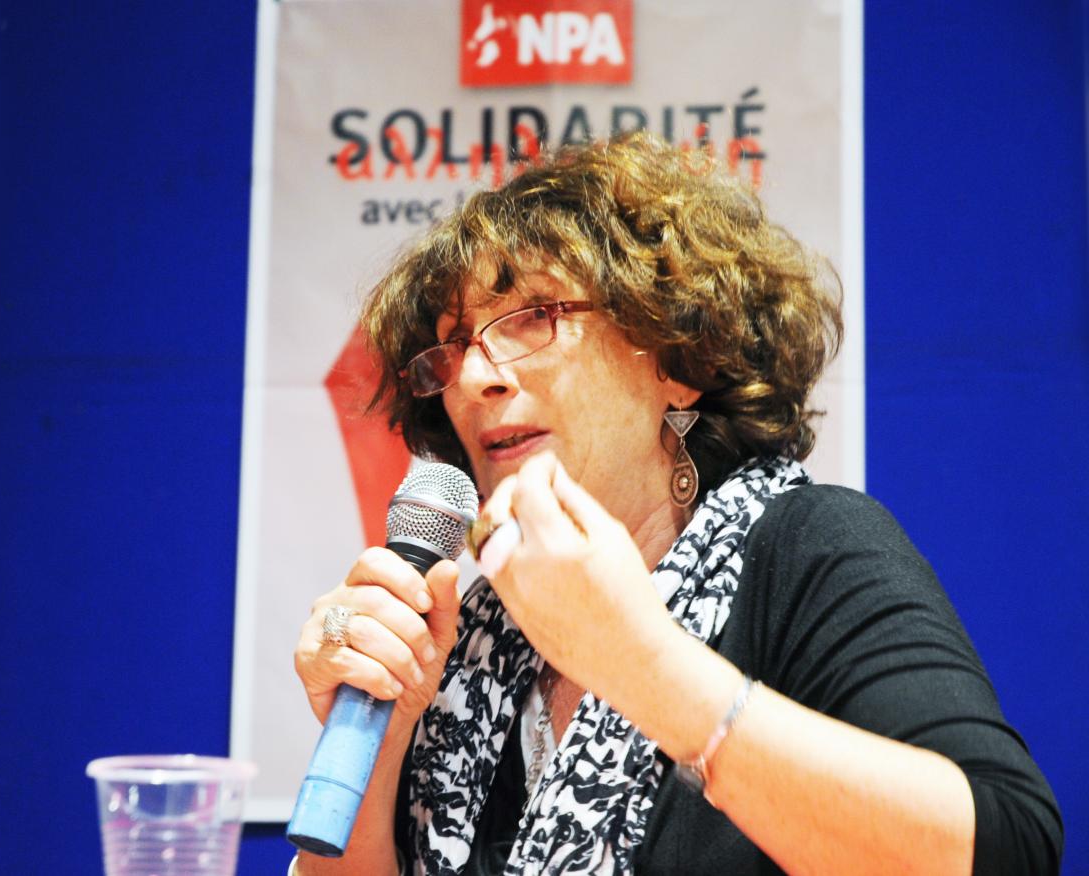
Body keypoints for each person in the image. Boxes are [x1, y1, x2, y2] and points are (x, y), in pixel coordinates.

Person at [291, 132, 1062, 874]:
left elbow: (1004, 853)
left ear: (678, 360)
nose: (472, 379)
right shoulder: (468, 637)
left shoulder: (807, 550)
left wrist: (639, 664)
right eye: (452, 347)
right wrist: (382, 736)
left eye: (531, 317)